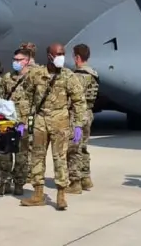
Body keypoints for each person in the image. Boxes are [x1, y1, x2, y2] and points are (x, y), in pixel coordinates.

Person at [20, 43, 86, 211]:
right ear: (49, 55)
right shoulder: (37, 75)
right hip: (41, 120)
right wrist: (23, 120)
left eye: (63, 54)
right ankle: (38, 194)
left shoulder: (68, 76)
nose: (61, 57)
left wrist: (78, 125)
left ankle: (61, 195)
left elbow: (79, 101)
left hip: (60, 121)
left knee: (60, 158)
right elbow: (25, 96)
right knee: (37, 157)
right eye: (58, 54)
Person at [0, 47, 34, 195]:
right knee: (4, 154)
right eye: (14, 59)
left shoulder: (32, 78)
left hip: (23, 123)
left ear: (27, 61)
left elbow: (36, 102)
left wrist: (27, 122)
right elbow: (1, 99)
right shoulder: (7, 78)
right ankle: (4, 182)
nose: (16, 62)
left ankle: (19, 184)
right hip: (8, 121)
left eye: (19, 60)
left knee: (22, 156)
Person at [66, 44, 100, 194]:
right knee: (83, 146)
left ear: (77, 57)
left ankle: (75, 182)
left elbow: (73, 97)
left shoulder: (78, 76)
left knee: (73, 148)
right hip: (88, 114)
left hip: (77, 116)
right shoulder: (93, 74)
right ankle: (86, 178)